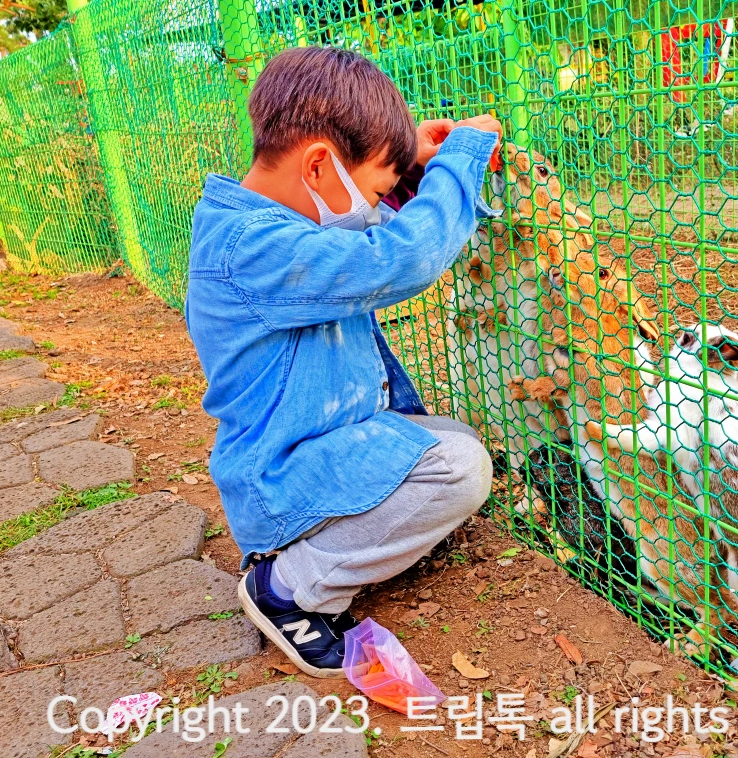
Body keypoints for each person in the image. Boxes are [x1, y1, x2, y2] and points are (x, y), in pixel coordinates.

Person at [185, 46, 501, 677]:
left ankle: (342, 541)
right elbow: (400, 258)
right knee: (461, 469)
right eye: (378, 188)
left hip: (316, 443)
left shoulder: (275, 219)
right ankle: (292, 587)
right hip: (279, 471)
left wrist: (406, 156)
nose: (376, 204)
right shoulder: (254, 246)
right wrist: (461, 159)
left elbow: (365, 224)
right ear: (321, 164)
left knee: (453, 442)